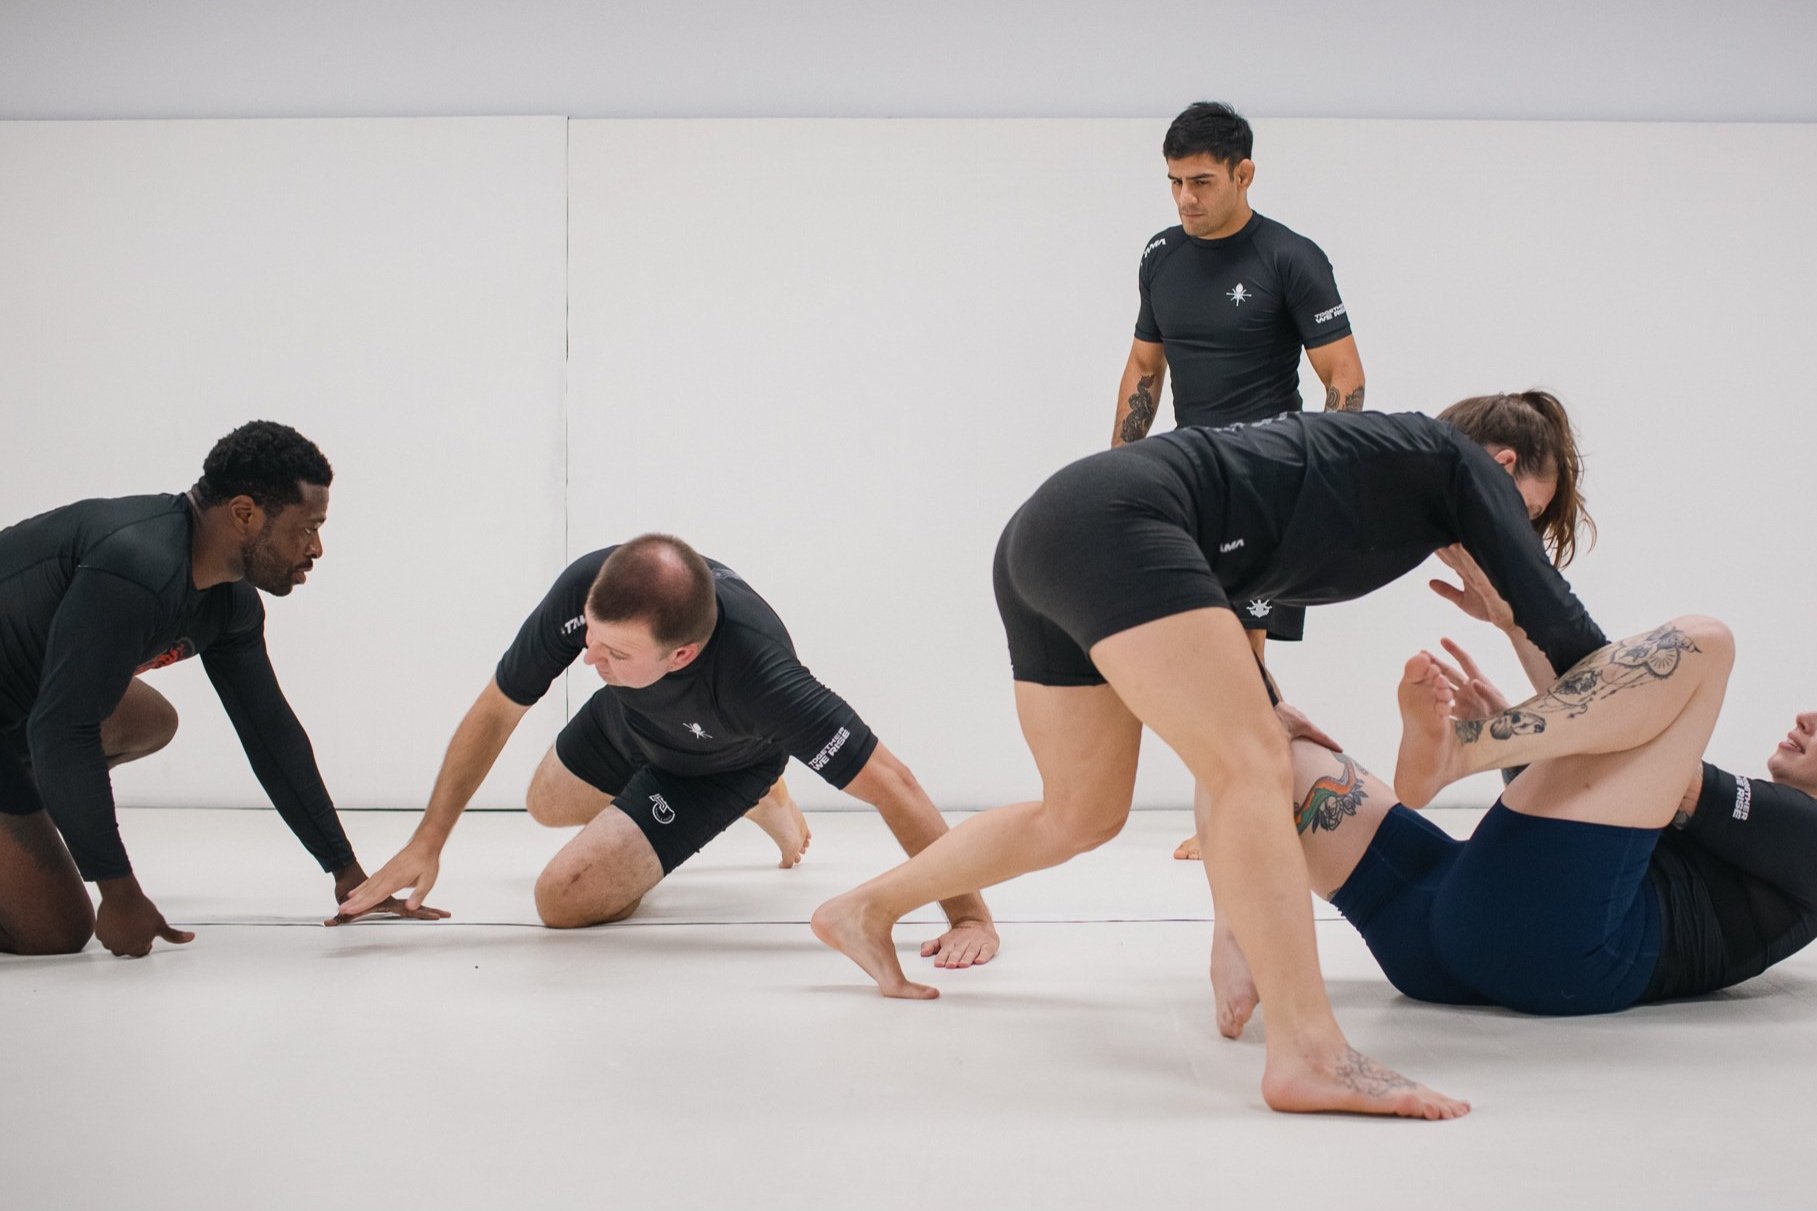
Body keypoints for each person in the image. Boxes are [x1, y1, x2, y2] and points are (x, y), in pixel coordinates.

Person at [814, 392, 1601, 1119]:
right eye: (1522, 514)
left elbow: (1208, 571)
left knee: (1079, 812)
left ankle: (862, 908)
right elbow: (1569, 635)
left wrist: (1255, 687)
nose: (1510, 536)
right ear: (1501, 469)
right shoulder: (1452, 461)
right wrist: (1610, 699)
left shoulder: (1375, 466)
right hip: (1112, 525)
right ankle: (1309, 1050)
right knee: (1252, 761)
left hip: (1056, 529)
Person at [339, 534, 998, 969]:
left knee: (561, 900)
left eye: (614, 651)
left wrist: (968, 915)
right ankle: (667, 800)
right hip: (632, 715)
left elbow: (896, 784)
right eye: (591, 640)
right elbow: (495, 708)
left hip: (720, 764)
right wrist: (428, 840)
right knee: (542, 804)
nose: (588, 658)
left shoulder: (761, 678)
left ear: (683, 653)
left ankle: (757, 796)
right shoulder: (587, 595)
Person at [1221, 610, 1817, 1031]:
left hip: (1567, 951)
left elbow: (1627, 739)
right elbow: (1591, 813)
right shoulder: (1762, 830)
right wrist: (1518, 702)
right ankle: (1235, 925)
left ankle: (1465, 751)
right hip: (1455, 926)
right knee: (1255, 734)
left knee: (1704, 643)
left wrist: (1509, 720)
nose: (1808, 715)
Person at [0, 421, 445, 959]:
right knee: (56, 931)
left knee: (148, 720)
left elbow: (269, 731)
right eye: (307, 528)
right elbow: (61, 728)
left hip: (24, 710)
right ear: (244, 514)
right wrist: (117, 891)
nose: (318, 548)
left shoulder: (228, 603)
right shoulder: (135, 565)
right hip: (34, 719)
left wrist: (347, 873)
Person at [1113, 100, 1365, 664]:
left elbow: (1343, 376)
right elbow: (1144, 367)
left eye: (1200, 181)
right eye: (1175, 182)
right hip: (1189, 477)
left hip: (1266, 482)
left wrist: (1323, 483)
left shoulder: (1290, 258)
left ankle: (1257, 751)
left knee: (1240, 655)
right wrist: (1119, 470)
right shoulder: (1160, 254)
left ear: (1243, 174)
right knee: (1190, 651)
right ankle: (1252, 750)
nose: (1185, 198)